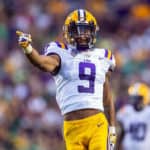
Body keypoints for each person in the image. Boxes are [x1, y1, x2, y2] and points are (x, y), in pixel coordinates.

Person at [16, 9, 116, 150]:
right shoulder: (60, 52)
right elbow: (41, 62)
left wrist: (112, 127)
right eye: (77, 30)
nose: (82, 35)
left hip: (96, 124)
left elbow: (107, 95)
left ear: (93, 31)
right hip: (72, 127)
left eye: (86, 30)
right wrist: (28, 49)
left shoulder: (103, 57)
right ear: (68, 32)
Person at [117, 82, 150, 150]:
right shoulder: (126, 110)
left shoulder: (148, 112)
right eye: (132, 97)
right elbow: (119, 128)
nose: (133, 100)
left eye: (136, 98)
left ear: (144, 98)